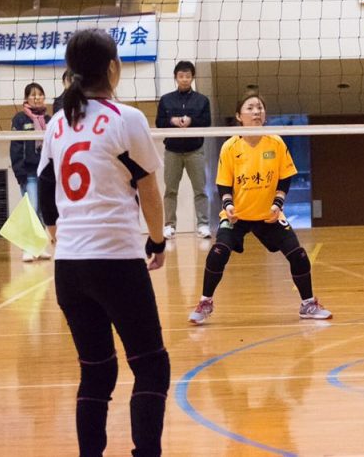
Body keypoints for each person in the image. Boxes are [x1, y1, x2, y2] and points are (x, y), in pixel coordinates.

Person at [36, 29, 170, 456]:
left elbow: (44, 188)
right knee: (150, 365)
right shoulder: (126, 119)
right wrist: (157, 241)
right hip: (114, 259)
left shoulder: (58, 121)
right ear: (114, 67)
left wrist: (62, 239)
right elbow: (149, 189)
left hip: (70, 267)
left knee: (96, 372)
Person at [188, 89, 331, 325]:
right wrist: (228, 205)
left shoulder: (275, 142)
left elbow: (285, 177)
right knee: (217, 253)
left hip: (268, 215)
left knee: (300, 256)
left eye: (260, 108)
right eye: (250, 108)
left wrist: (278, 203)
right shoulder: (230, 147)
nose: (256, 112)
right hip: (237, 215)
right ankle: (205, 302)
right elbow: (223, 182)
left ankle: (308, 305)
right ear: (238, 116)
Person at [156, 60, 212, 240]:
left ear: (192, 78)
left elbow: (207, 122)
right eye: (181, 76)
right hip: (172, 150)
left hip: (195, 150)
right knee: (170, 190)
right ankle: (169, 226)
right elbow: (159, 123)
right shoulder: (166, 100)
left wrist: (191, 121)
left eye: (188, 76)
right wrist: (172, 121)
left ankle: (203, 225)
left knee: (200, 190)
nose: (185, 79)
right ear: (176, 78)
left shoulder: (202, 100)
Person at [10, 81, 51, 261]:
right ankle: (28, 248)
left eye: (40, 94)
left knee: (42, 210)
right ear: (26, 98)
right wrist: (20, 173)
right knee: (32, 208)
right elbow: (15, 147)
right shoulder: (20, 119)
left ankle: (38, 247)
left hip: (45, 172)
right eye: (33, 95)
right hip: (29, 172)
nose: (37, 98)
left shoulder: (49, 120)